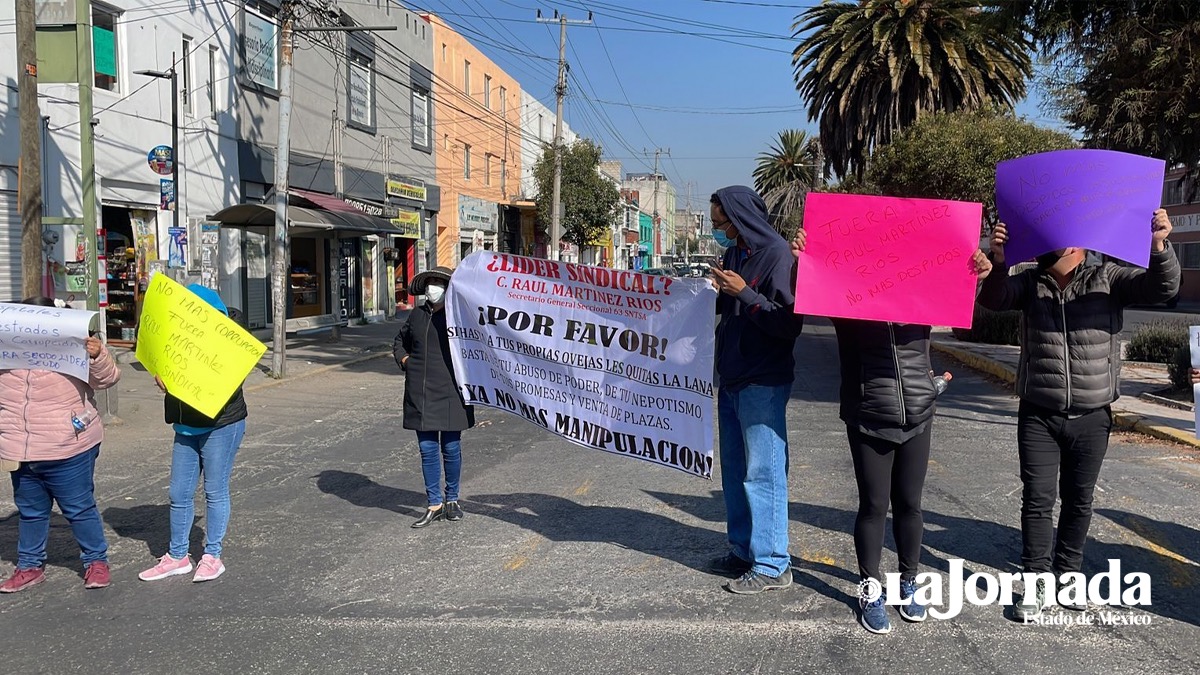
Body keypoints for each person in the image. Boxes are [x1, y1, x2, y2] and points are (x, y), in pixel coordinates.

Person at [973, 208, 1179, 620]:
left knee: (1079, 501)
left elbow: (1162, 288)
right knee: (1037, 500)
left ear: (1072, 243)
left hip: (1093, 414)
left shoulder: (1110, 278)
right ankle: (1035, 582)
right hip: (1039, 412)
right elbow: (994, 298)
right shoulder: (1032, 282)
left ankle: (1068, 576)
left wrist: (1158, 246)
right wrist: (997, 260)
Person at [791, 228, 954, 634]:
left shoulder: (924, 299)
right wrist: (802, 261)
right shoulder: (850, 307)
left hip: (918, 414)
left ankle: (909, 583)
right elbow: (808, 294)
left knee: (910, 505)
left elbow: (959, 286)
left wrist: (984, 270)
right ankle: (869, 586)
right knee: (874, 505)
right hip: (867, 415)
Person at [706, 186, 805, 594]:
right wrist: (712, 296)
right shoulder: (734, 255)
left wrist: (743, 293)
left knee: (763, 472)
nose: (717, 231)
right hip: (731, 377)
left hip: (763, 380)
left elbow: (787, 324)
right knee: (734, 472)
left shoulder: (779, 255)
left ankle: (772, 563)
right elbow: (731, 310)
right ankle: (743, 549)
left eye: (719, 224)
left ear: (739, 219)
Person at [0, 297, 120, 593]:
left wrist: (97, 355)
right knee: (30, 510)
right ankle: (29, 566)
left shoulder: (73, 345)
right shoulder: (6, 351)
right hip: (21, 448)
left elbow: (108, 379)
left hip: (70, 445)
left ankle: (96, 562)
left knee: (78, 507)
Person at [138, 285, 248, 583]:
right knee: (179, 493)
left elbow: (224, 382)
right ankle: (177, 556)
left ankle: (212, 556)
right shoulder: (173, 335)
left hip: (222, 425)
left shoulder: (229, 341)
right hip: (185, 426)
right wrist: (163, 378)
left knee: (214, 490)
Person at [393, 266, 475, 528]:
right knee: (427, 450)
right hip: (419, 392)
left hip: (452, 392)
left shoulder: (460, 317)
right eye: (428, 283)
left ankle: (452, 499)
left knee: (451, 448)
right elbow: (399, 342)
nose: (432, 288)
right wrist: (406, 361)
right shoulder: (416, 315)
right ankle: (434, 503)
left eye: (437, 283)